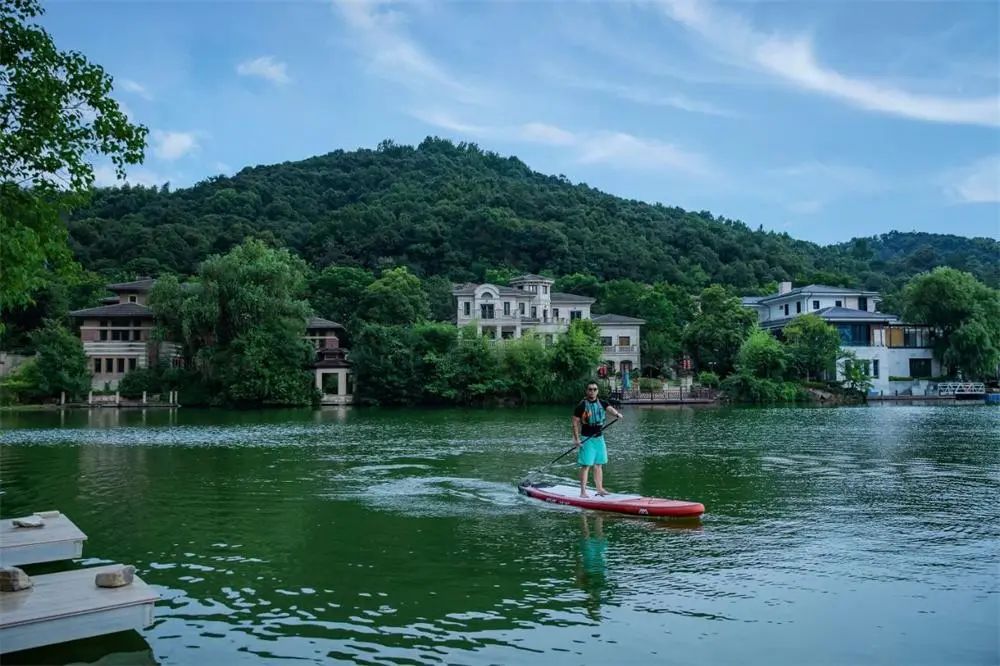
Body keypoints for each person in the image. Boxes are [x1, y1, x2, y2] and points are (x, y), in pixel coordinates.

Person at [572, 381, 623, 498]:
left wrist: (617, 414)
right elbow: (574, 423)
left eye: (595, 389)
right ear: (587, 391)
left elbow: (610, 409)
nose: (592, 391)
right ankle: (583, 492)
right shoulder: (581, 406)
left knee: (599, 464)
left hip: (599, 438)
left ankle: (600, 489)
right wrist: (576, 439)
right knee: (586, 465)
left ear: (597, 391)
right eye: (590, 389)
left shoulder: (602, 403)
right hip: (587, 438)